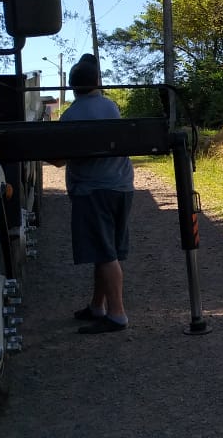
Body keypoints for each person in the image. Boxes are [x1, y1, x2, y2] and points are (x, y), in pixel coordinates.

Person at [51, 54, 135, 334]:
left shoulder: (71, 115)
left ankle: (117, 315)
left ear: (72, 86)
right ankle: (97, 306)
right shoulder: (111, 106)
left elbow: (59, 159)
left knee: (105, 253)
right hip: (122, 187)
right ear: (97, 82)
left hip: (92, 191)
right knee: (106, 250)